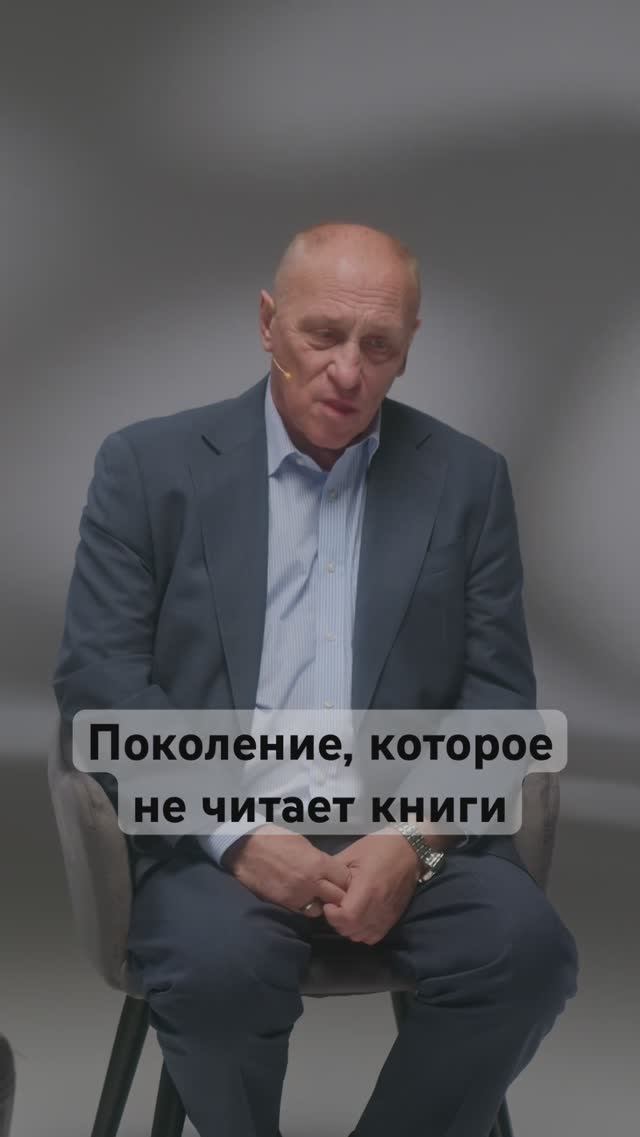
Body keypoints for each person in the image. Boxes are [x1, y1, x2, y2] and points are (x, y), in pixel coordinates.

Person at [53, 222, 578, 1137]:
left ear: (409, 346)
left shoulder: (468, 480)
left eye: (378, 346)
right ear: (269, 324)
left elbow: (499, 703)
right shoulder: (147, 466)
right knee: (217, 974)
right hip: (216, 834)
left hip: (402, 828)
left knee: (528, 956)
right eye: (323, 334)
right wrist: (239, 835)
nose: (348, 371)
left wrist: (412, 844)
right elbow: (102, 682)